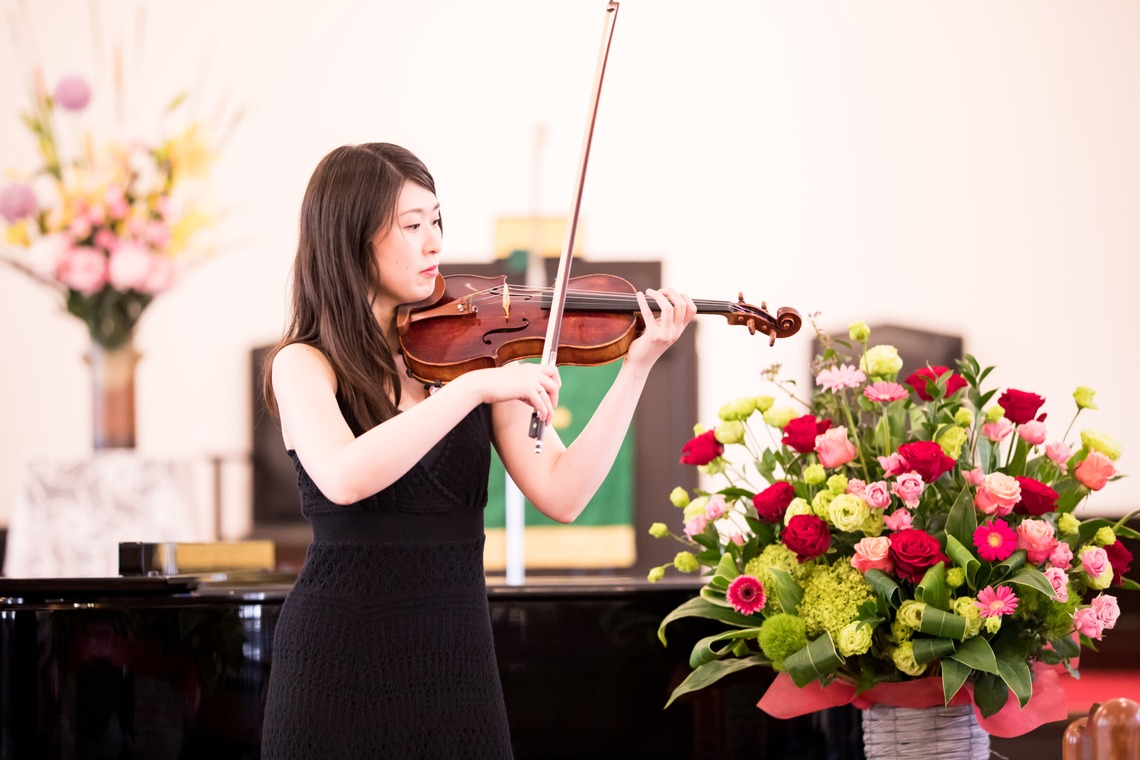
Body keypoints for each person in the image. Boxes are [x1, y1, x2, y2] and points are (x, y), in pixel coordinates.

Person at [259, 142, 695, 759]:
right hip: (338, 654)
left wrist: (637, 367)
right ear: (349, 238)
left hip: (454, 653)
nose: (435, 242)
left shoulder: (477, 351)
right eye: (412, 226)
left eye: (437, 220)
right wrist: (472, 390)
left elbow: (564, 493)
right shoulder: (303, 363)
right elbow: (343, 476)